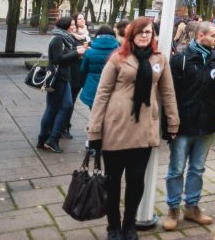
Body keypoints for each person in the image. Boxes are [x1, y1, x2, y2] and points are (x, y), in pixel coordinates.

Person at [87, 17, 179, 240]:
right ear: (131, 35)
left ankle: (129, 225)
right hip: (116, 129)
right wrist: (95, 130)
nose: (145, 35)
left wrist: (173, 121)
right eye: (140, 32)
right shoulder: (117, 59)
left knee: (137, 181)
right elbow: (102, 95)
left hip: (144, 129)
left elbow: (168, 92)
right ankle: (113, 226)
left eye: (149, 32)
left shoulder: (160, 60)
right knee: (113, 180)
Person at [162, 22, 215, 231]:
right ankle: (172, 209)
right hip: (184, 126)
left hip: (206, 126)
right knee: (176, 169)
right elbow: (169, 94)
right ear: (201, 35)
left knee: (197, 168)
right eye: (214, 35)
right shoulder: (181, 60)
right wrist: (169, 124)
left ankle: (192, 207)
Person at [37, 16, 87, 153]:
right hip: (57, 79)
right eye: (72, 25)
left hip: (64, 78)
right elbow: (59, 59)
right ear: (65, 26)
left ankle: (51, 139)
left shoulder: (66, 38)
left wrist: (77, 51)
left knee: (66, 105)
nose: (74, 27)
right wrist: (77, 52)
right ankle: (45, 139)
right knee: (52, 108)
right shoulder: (58, 38)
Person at [79, 25, 120, 109]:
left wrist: (83, 85)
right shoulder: (119, 52)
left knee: (94, 115)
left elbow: (83, 70)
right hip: (112, 88)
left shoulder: (89, 52)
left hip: (92, 89)